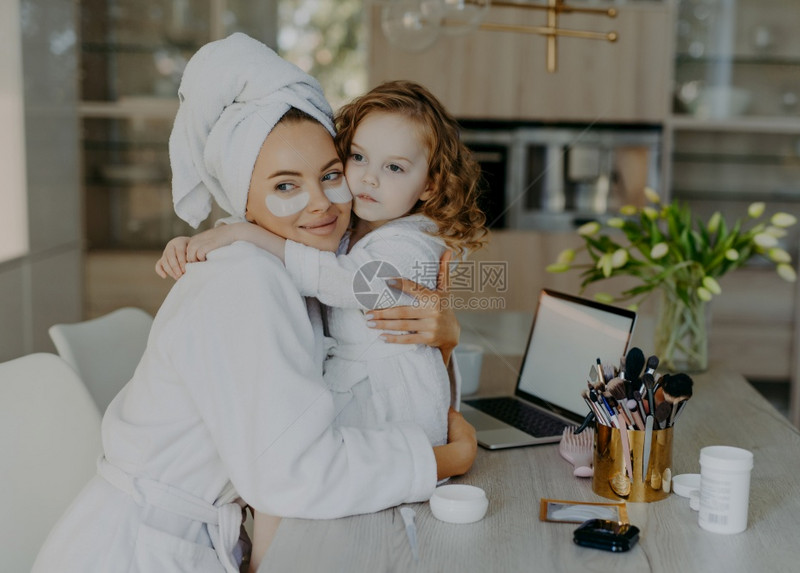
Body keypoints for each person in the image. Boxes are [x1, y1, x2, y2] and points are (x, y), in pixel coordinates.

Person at [32, 33, 476, 573]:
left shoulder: (308, 254)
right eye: (285, 186)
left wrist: (445, 335)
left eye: (331, 175)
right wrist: (445, 460)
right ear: (243, 201)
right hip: (139, 554)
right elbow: (291, 473)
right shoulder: (245, 282)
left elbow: (360, 292)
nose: (322, 203)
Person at [156, 80, 488, 569]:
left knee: (333, 519)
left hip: (389, 403)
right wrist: (212, 237)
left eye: (394, 168)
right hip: (374, 400)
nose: (368, 180)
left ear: (431, 185)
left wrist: (244, 234)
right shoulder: (350, 231)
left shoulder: (411, 242)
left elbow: (351, 284)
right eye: (358, 158)